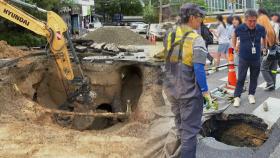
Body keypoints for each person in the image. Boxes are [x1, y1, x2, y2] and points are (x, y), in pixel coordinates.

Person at [163, 3, 212, 158]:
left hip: (171, 89)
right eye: (200, 18)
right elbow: (198, 69)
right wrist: (205, 92)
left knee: (180, 127)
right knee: (190, 134)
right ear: (192, 18)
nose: (201, 22)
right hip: (188, 93)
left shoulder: (169, 34)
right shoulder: (196, 39)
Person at [232, 9, 266, 107]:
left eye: (254, 21)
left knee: (254, 77)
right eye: (250, 21)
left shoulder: (261, 28)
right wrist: (234, 46)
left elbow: (264, 37)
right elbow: (234, 35)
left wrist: (265, 47)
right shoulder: (240, 28)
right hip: (243, 58)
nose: (252, 23)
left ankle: (251, 94)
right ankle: (237, 97)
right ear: (245, 20)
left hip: (256, 58)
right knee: (241, 78)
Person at [258, 9, 278, 91]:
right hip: (275, 50)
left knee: (263, 68)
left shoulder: (264, 30)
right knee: (273, 69)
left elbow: (263, 43)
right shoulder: (271, 29)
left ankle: (270, 83)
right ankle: (272, 84)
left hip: (268, 50)